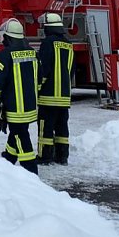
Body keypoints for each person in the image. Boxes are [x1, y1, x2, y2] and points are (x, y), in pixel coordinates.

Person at [0, 17, 39, 174]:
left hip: (15, 108)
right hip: (30, 106)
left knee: (20, 136)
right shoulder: (33, 53)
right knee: (17, 133)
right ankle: (8, 160)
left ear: (7, 37)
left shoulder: (4, 55)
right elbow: (40, 78)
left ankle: (31, 172)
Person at [36, 12, 74, 165]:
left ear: (48, 28)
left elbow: (44, 69)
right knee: (62, 128)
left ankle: (45, 157)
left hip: (48, 96)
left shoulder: (47, 43)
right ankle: (62, 156)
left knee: (45, 127)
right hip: (64, 97)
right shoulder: (68, 44)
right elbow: (71, 70)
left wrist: (37, 88)